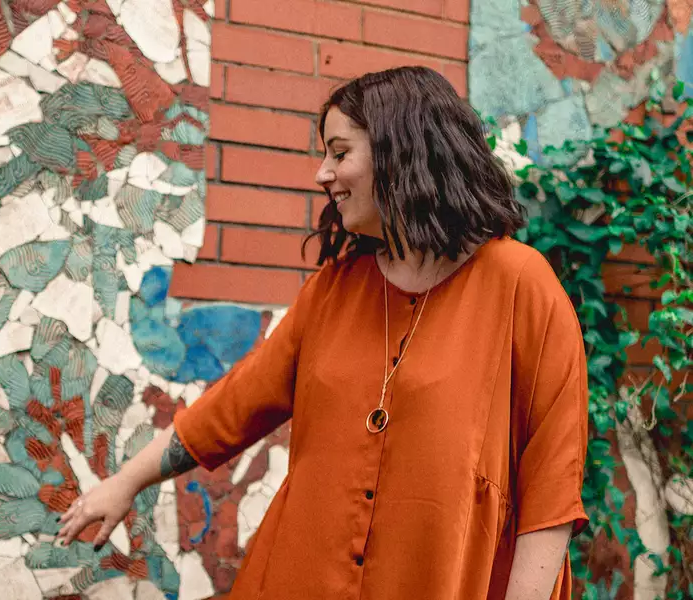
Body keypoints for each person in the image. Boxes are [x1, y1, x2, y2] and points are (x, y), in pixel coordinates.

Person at [57, 66, 589, 600]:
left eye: (339, 153)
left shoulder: (521, 286)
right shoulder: (332, 293)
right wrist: (126, 482)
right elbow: (231, 408)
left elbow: (552, 486)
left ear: (400, 150)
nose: (321, 174)